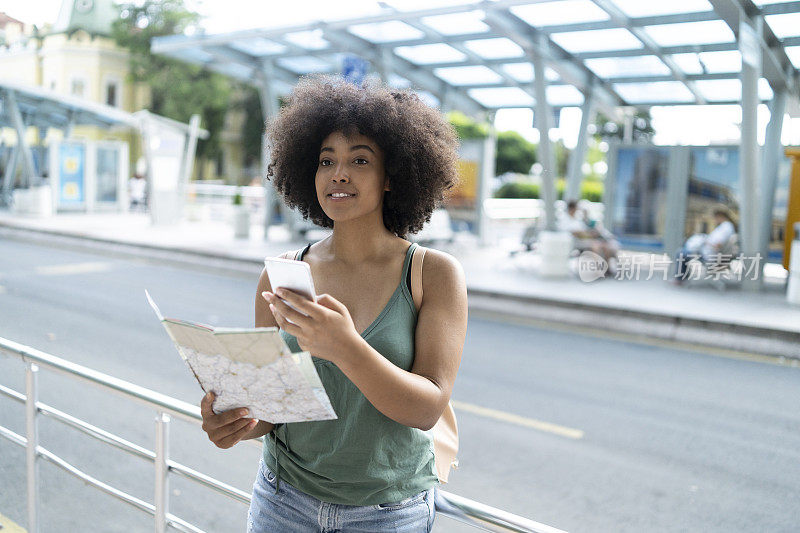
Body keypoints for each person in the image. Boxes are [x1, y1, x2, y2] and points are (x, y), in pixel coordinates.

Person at [198, 76, 468, 533]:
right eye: (327, 161)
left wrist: (344, 346)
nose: (339, 173)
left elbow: (426, 408)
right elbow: (274, 406)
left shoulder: (434, 274)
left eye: (359, 160)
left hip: (389, 512)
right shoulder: (280, 273)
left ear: (391, 176)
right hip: (283, 500)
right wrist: (239, 422)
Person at [672, 208, 737, 284]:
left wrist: (705, 242)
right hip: (709, 253)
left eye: (715, 218)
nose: (715, 220)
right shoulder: (726, 227)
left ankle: (680, 279)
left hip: (709, 255)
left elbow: (717, 245)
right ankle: (682, 278)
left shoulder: (726, 227)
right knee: (684, 250)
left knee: (681, 253)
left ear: (720, 216)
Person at [558, 199, 620, 276]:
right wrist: (587, 234)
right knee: (596, 246)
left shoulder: (577, 219)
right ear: (572, 208)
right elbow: (575, 233)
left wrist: (590, 234)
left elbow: (584, 230)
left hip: (586, 239)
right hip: (576, 242)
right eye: (576, 208)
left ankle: (607, 269)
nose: (577, 210)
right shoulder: (565, 219)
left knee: (605, 246)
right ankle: (599, 271)